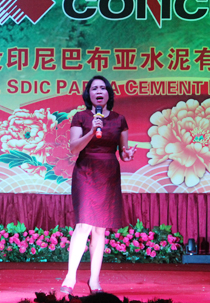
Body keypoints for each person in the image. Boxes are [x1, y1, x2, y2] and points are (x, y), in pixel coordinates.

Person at [60, 75, 137, 295]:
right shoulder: (81, 117)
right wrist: (92, 132)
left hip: (108, 173)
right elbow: (74, 148)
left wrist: (128, 155)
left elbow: (123, 152)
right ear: (89, 94)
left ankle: (94, 280)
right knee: (84, 224)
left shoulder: (119, 119)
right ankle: (70, 277)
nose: (99, 91)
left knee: (100, 228)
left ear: (108, 94)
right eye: (94, 88)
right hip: (86, 171)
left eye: (103, 88)